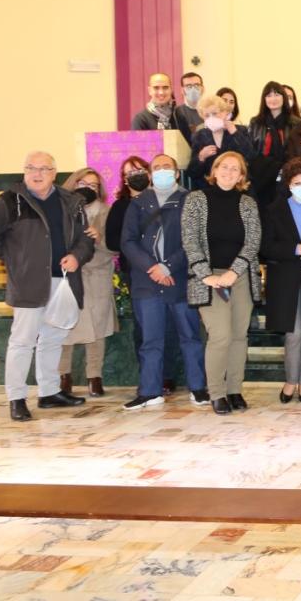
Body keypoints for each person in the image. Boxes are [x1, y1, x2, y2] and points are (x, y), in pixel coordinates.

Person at [0, 153, 93, 421]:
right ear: (24, 171)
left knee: (53, 339)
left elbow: (85, 239)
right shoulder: (9, 201)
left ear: (54, 173)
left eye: (43, 169)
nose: (36, 173)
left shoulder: (70, 201)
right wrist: (15, 261)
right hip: (28, 283)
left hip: (62, 281)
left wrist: (77, 256)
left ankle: (49, 393)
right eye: (30, 168)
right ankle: (16, 398)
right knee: (22, 341)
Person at [119, 153, 207, 409]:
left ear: (176, 173)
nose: (161, 171)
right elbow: (128, 241)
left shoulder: (190, 200)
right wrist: (153, 268)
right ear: (150, 174)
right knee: (150, 340)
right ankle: (149, 390)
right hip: (147, 283)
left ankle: (198, 387)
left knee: (190, 337)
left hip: (180, 281)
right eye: (156, 168)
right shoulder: (138, 202)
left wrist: (168, 267)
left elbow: (195, 240)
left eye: (166, 167)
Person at [181, 151, 261, 415]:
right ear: (214, 170)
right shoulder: (196, 199)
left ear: (241, 176)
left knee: (239, 336)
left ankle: (234, 389)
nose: (228, 172)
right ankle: (216, 393)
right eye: (223, 167)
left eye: (234, 169)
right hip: (208, 279)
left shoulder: (247, 203)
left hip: (239, 277)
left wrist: (233, 272)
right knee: (220, 335)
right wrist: (207, 275)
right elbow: (190, 240)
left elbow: (252, 242)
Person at [260, 159, 301, 404]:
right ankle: (290, 380)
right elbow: (265, 246)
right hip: (284, 280)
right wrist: (295, 249)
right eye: (297, 183)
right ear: (288, 184)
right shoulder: (273, 210)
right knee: (294, 334)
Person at [57, 168, 116, 399]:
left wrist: (99, 240)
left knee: (96, 329)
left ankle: (94, 377)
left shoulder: (106, 212)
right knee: (64, 328)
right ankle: (63, 377)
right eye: (83, 183)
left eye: (93, 185)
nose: (87, 188)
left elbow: (114, 247)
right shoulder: (62, 210)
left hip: (97, 276)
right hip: (68, 277)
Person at [187, 91, 253, 187]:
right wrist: (201, 157)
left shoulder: (240, 130)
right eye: (207, 115)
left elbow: (251, 156)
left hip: (237, 186)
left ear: (225, 113)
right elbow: (192, 173)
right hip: (209, 188)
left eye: (215, 113)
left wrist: (235, 133)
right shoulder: (199, 136)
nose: (211, 117)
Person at [105, 156, 151, 286]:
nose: (136, 176)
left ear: (149, 174)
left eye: (139, 171)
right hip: (133, 268)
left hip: (165, 267)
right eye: (130, 173)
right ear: (125, 180)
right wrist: (134, 245)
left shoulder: (163, 201)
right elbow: (111, 242)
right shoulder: (119, 206)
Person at [247, 81, 301, 169]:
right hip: (260, 172)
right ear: (264, 99)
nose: (273, 99)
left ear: (284, 98)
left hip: (288, 171)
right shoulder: (256, 122)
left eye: (277, 95)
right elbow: (250, 150)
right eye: (269, 96)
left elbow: (298, 152)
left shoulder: (296, 123)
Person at [175, 71, 204, 142]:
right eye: (188, 86)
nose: (193, 89)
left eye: (197, 85)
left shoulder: (211, 111)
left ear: (202, 88)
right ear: (182, 90)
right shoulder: (176, 113)